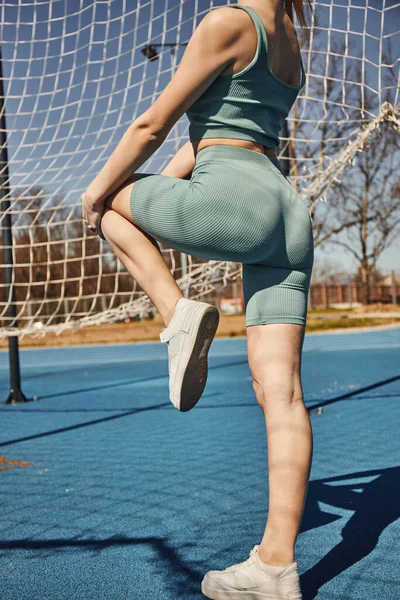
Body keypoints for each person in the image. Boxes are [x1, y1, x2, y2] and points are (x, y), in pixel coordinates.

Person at [81, 0, 314, 597]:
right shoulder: (289, 36)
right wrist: (162, 184)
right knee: (282, 392)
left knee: (111, 210)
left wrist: (98, 192)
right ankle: (274, 567)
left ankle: (177, 313)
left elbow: (151, 126)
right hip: (287, 211)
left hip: (235, 198)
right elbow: (205, 139)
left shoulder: (228, 21)